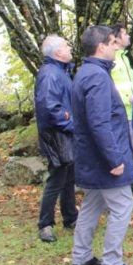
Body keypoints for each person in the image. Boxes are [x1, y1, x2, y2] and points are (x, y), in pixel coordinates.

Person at [70, 25, 133, 265]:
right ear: (101, 47)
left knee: (92, 204)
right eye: (113, 42)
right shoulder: (96, 77)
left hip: (93, 157)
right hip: (104, 158)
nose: (116, 46)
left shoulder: (89, 72)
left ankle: (81, 257)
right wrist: (114, 160)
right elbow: (98, 122)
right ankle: (112, 264)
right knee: (123, 204)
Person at [34, 35, 78, 243]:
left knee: (69, 177)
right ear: (58, 52)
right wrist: (71, 124)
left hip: (64, 133)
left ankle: (70, 217)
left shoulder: (61, 72)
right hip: (56, 135)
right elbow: (50, 107)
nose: (70, 48)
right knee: (57, 178)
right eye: (66, 46)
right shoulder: (50, 74)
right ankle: (45, 224)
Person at [110, 24, 133, 155]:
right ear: (116, 39)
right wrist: (127, 98)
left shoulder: (125, 57)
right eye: (125, 33)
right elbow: (110, 86)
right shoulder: (111, 60)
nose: (128, 36)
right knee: (125, 153)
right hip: (121, 115)